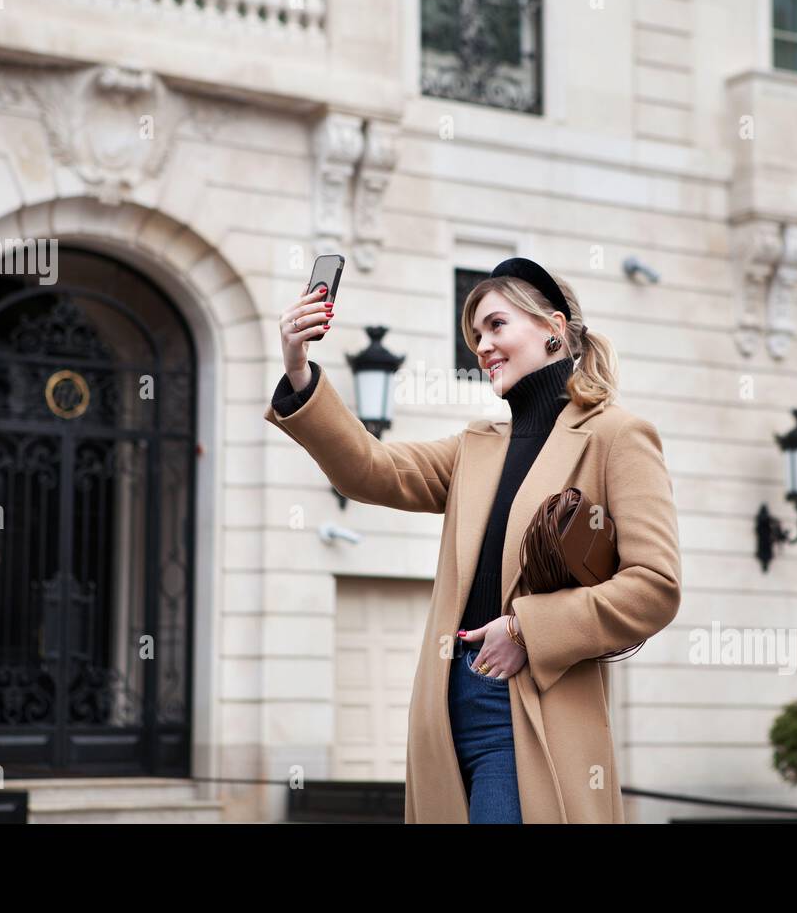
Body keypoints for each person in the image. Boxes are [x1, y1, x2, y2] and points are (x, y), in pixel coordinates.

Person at [263, 257, 682, 823]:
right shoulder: (476, 446)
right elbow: (369, 468)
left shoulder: (617, 436)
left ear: (553, 328)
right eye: (476, 335)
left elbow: (654, 587)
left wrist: (525, 630)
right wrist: (299, 370)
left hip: (530, 704)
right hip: (445, 703)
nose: (482, 345)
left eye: (496, 326)